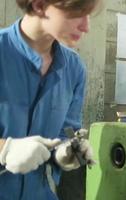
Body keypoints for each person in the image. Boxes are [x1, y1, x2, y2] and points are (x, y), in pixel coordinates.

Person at [0, 0, 100, 199]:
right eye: (78, 12)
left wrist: (65, 151)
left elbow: (66, 131)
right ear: (39, 5)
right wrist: (5, 150)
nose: (86, 26)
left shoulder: (74, 68)